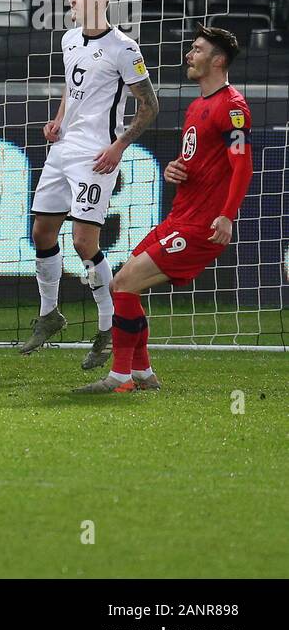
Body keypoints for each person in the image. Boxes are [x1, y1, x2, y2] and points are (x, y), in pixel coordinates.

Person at [75, 26, 252, 394]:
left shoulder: (232, 106)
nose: (190, 54)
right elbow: (199, 160)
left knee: (122, 283)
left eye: (198, 50)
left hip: (201, 225)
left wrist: (227, 215)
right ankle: (141, 373)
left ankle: (120, 377)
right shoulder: (197, 104)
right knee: (124, 285)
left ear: (217, 60)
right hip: (180, 217)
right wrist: (176, 169)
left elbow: (242, 165)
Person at [23, 0, 159, 364]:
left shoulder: (124, 48)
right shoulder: (68, 40)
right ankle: (49, 314)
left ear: (100, 0)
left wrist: (118, 146)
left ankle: (106, 325)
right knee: (42, 230)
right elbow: (72, 86)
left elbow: (150, 105)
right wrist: (58, 121)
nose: (71, 0)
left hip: (96, 155)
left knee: (84, 242)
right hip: (63, 149)